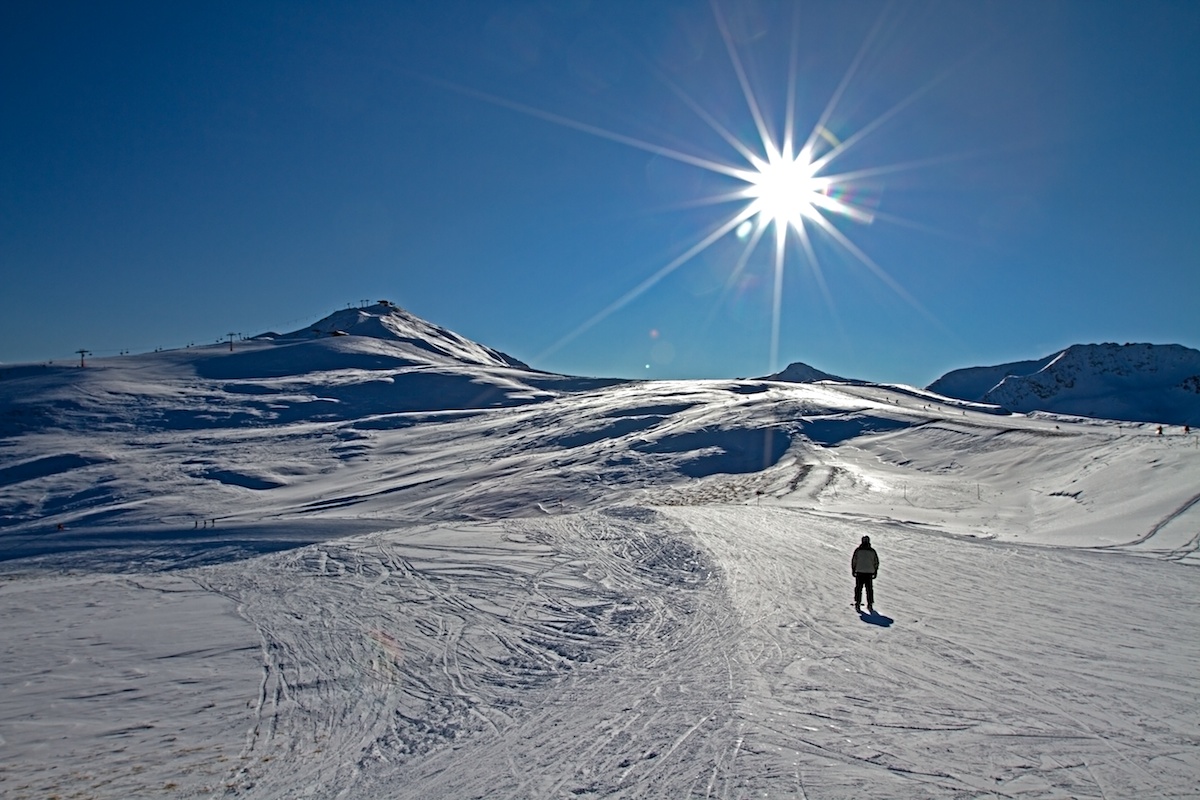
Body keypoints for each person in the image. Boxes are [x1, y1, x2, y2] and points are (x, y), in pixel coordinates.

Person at [851, 535, 879, 612]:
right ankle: (870, 603)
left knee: (858, 588)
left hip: (859, 571)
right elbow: (876, 562)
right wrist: (875, 571)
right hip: (869, 572)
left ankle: (858, 602)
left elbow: (854, 561)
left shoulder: (858, 550)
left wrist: (853, 569)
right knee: (869, 589)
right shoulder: (872, 551)